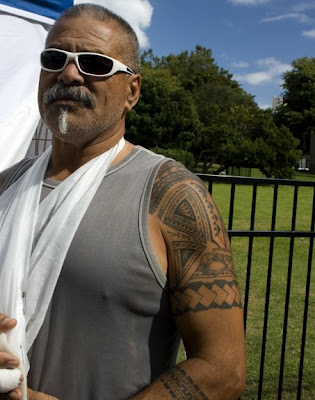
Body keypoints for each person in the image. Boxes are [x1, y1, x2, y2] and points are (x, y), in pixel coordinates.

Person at [0, 4, 246, 400]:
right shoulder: (5, 187)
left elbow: (223, 370)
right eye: (54, 58)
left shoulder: (171, 195)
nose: (68, 73)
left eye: (95, 63)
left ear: (132, 91)